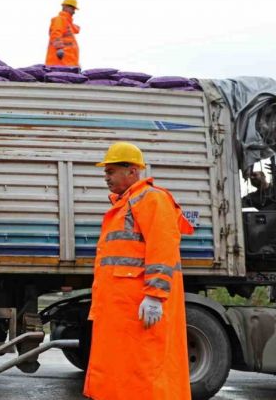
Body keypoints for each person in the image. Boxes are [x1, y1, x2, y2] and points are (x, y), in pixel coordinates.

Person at [84, 142, 193, 400]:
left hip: (136, 307)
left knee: (146, 373)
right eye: (105, 172)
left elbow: (163, 247)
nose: (106, 177)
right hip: (123, 309)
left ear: (132, 171)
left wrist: (155, 295)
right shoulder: (126, 204)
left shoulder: (151, 199)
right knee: (127, 372)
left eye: (110, 171)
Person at [45, 0, 81, 67]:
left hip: (68, 62)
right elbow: (56, 33)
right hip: (59, 62)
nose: (74, 12)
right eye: (72, 8)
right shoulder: (60, 19)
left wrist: (76, 64)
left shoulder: (68, 24)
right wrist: (59, 49)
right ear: (65, 7)